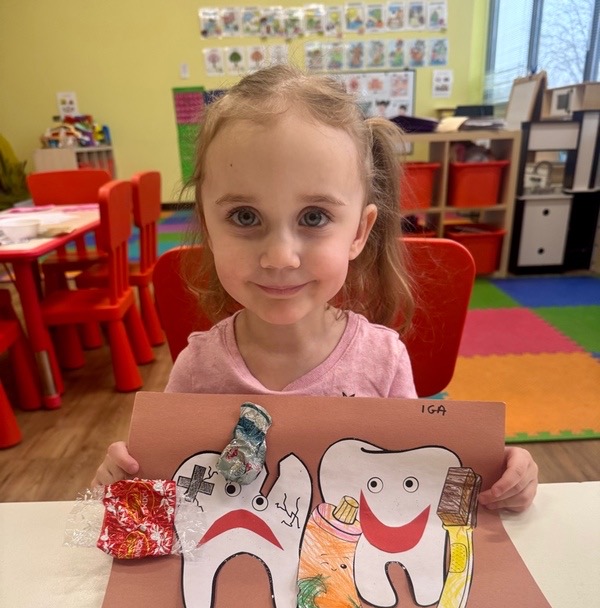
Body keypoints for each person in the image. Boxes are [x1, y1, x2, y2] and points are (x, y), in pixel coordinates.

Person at [94, 65, 538, 512]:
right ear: (209, 228)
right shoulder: (197, 370)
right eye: (245, 216)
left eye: (314, 217)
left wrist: (498, 475)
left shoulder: (383, 362)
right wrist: (127, 477)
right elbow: (166, 487)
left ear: (359, 232)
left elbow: (417, 476)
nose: (280, 257)